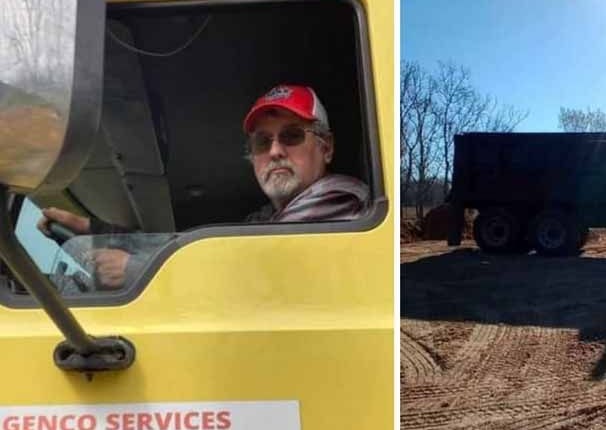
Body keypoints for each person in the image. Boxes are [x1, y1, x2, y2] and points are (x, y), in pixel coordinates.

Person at [38, 84, 369, 289]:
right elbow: (184, 248)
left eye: (292, 136)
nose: (275, 151)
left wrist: (132, 270)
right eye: (262, 142)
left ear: (326, 147)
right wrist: (94, 230)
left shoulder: (338, 199)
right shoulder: (265, 220)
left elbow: (249, 275)